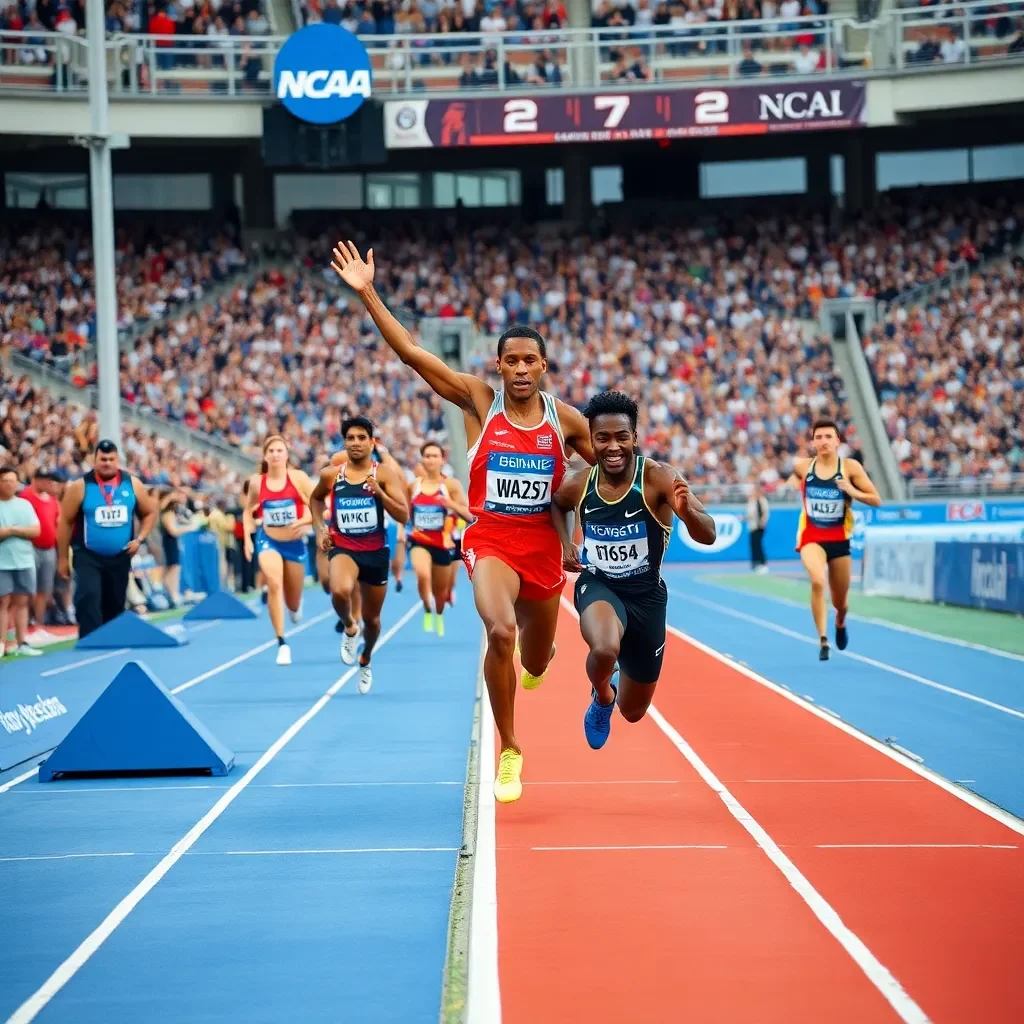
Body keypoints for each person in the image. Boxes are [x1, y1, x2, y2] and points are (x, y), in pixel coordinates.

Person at [332, 241, 595, 804]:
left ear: (544, 367)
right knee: (500, 631)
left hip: (544, 548)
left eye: (531, 361)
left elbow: (609, 474)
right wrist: (368, 292)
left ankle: (538, 660)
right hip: (492, 539)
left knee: (535, 654)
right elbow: (410, 352)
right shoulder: (479, 401)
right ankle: (511, 747)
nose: (521, 369)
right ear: (498, 364)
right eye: (511, 360)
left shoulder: (566, 420)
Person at [552, 392, 716, 749]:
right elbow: (558, 503)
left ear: (635, 438)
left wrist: (687, 513)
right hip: (598, 584)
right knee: (605, 647)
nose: (613, 447)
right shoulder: (580, 483)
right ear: (591, 441)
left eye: (621, 437)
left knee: (634, 711)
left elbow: (709, 534)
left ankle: (617, 697)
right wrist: (566, 542)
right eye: (603, 438)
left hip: (647, 598)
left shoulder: (658, 478)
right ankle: (602, 697)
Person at [310, 416, 409, 695]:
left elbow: (403, 514)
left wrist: (380, 495)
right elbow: (316, 499)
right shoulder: (332, 475)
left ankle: (365, 659)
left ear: (372, 442)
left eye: (361, 438)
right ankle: (350, 628)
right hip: (344, 547)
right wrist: (320, 530)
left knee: (374, 621)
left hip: (376, 552)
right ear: (344, 442)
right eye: (350, 438)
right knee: (339, 590)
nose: (355, 443)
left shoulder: (384, 475)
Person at [786, 418, 882, 660]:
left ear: (838, 441)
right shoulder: (803, 467)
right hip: (811, 537)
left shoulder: (850, 468)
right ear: (813, 441)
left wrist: (851, 491)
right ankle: (823, 639)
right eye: (818, 437)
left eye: (828, 436)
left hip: (839, 539)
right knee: (818, 581)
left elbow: (876, 499)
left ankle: (839, 621)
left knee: (841, 602)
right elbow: (793, 481)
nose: (823, 441)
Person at [57, 440, 159, 640]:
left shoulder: (133, 484)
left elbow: (150, 512)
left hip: (120, 555)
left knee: (115, 601)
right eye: (102, 459)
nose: (107, 463)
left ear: (117, 460)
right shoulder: (80, 486)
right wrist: (62, 559)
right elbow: (65, 523)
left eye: (111, 459)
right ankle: (89, 640)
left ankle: (111, 640)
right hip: (87, 554)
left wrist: (139, 539)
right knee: (89, 596)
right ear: (95, 460)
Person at [242, 435, 315, 666]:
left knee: (292, 603)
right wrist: (247, 539)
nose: (275, 454)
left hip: (294, 544)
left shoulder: (299, 478)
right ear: (265, 456)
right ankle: (282, 643)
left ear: (286, 454)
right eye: (271, 450)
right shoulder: (256, 482)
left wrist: (305, 522)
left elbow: (319, 506)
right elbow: (247, 512)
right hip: (268, 540)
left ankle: (295, 606)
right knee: (274, 584)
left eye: (279, 450)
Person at [408, 441, 472, 636]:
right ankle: (427, 609)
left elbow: (469, 515)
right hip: (420, 540)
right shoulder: (414, 486)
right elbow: (407, 512)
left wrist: (450, 503)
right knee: (422, 575)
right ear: (422, 459)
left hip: (443, 544)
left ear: (442, 460)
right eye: (427, 456)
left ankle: (438, 612)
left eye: (435, 456)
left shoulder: (451, 485)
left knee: (441, 593)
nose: (431, 460)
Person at [0, 466, 42, 657]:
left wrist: (12, 531)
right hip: (2, 562)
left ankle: (21, 641)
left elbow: (35, 531)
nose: (9, 484)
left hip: (24, 560)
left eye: (12, 481)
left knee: (22, 601)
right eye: (5, 481)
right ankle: (2, 642)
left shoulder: (24, 505)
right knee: (3, 602)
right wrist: (13, 531)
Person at [19, 469, 61, 629]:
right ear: (35, 479)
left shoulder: (51, 499)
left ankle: (39, 622)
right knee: (29, 587)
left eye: (49, 479)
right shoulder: (25, 496)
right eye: (44, 479)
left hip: (49, 548)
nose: (48, 482)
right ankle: (27, 621)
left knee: (45, 588)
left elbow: (57, 521)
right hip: (30, 546)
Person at [746, 482, 770, 574]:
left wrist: (763, 522)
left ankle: (762, 563)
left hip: (759, 526)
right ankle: (755, 563)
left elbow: (765, 513)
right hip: (752, 526)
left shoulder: (761, 500)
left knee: (758, 544)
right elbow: (750, 515)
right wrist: (744, 518)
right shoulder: (751, 501)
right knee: (753, 545)